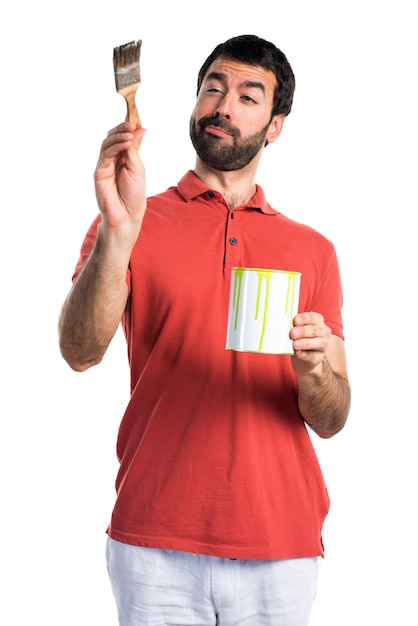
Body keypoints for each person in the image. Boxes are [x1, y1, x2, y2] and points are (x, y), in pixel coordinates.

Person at [59, 34, 350, 626]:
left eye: (248, 96)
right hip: (153, 541)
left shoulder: (313, 250)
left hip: (281, 544)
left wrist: (317, 369)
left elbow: (331, 418)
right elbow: (79, 351)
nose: (223, 105)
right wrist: (119, 230)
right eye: (213, 88)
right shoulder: (129, 218)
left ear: (274, 127)